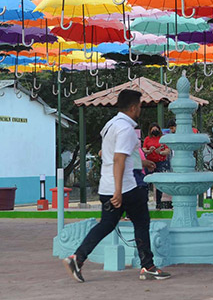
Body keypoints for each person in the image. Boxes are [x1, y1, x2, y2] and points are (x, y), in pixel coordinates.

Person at [63, 90, 170, 282]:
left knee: (107, 224)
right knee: (142, 222)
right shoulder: (126, 129)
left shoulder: (110, 125)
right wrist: (118, 191)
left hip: (107, 185)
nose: (140, 109)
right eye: (138, 106)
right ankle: (148, 267)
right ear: (132, 107)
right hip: (125, 187)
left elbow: (113, 155)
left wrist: (141, 164)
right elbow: (119, 159)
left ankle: (77, 258)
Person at [142, 122, 171, 209]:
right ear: (150, 130)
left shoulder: (162, 139)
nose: (155, 131)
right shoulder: (147, 139)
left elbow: (167, 150)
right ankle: (145, 202)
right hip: (149, 163)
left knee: (159, 183)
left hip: (160, 162)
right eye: (153, 129)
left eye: (156, 129)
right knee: (146, 183)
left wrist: (161, 152)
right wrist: (149, 151)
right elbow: (143, 149)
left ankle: (159, 203)